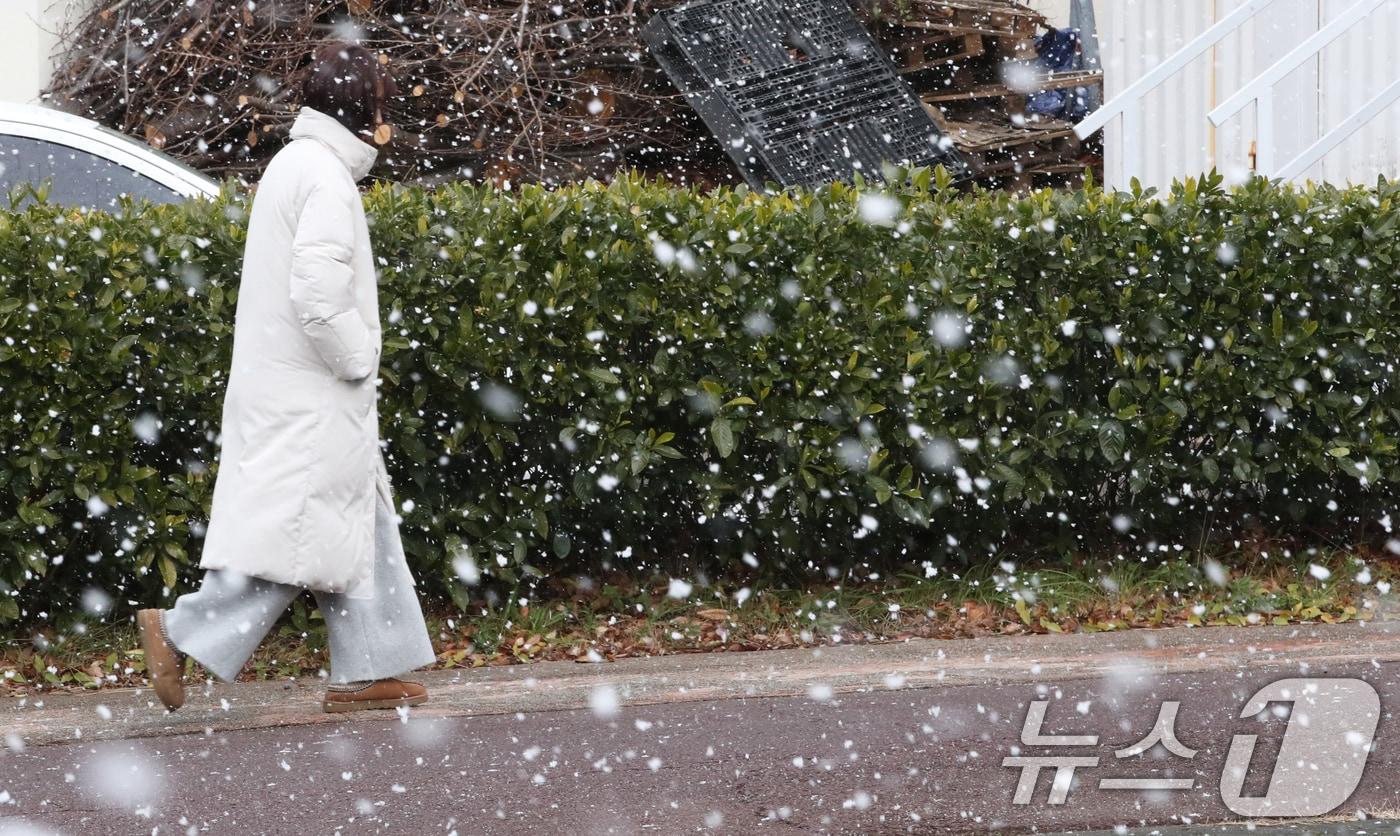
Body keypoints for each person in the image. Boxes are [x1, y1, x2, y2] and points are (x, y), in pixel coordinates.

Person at [136, 42, 437, 714]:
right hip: (313, 395)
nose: (385, 110)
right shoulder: (324, 176)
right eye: (381, 99)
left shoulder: (296, 165)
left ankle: (369, 667)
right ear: (363, 105)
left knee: (354, 523)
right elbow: (318, 293)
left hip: (290, 389)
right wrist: (359, 357)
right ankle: (178, 628)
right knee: (295, 544)